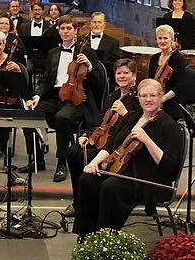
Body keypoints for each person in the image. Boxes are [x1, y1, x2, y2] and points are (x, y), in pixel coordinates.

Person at [73, 79, 183, 236]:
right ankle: (86, 235)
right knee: (86, 180)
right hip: (120, 169)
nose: (148, 99)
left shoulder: (169, 125)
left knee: (110, 186)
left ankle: (105, 237)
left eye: (153, 95)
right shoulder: (132, 117)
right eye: (144, 95)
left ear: (161, 97)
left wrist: (147, 140)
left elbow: (170, 168)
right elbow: (111, 147)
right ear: (138, 98)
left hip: (147, 179)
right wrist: (93, 163)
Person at [27, 16, 101, 180]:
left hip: (76, 98)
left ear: (76, 31)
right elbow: (47, 81)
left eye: (69, 28)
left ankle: (62, 162)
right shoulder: (52, 53)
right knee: (28, 114)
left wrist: (89, 66)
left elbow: (98, 83)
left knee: (62, 118)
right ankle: (37, 159)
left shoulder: (87, 52)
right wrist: (37, 96)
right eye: (63, 28)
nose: (66, 31)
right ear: (58, 31)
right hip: (54, 95)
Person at [66, 58, 141, 214]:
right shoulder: (113, 95)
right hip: (102, 138)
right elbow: (101, 120)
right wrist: (87, 135)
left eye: (126, 73)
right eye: (119, 73)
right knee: (73, 152)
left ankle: (88, 204)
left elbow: (135, 128)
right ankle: (77, 200)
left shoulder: (138, 99)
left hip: (118, 145)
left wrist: (124, 113)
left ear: (134, 77)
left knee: (83, 157)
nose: (122, 76)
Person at [148, 24, 187, 120]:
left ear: (172, 40)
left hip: (172, 100)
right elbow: (149, 80)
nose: (162, 41)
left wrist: (163, 98)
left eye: (165, 38)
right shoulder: (154, 58)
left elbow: (179, 86)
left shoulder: (178, 58)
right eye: (159, 38)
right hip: (155, 97)